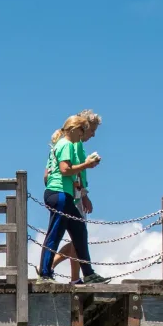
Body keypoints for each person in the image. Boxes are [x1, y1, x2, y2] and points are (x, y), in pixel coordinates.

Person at [39, 115, 103, 283]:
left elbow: (53, 173)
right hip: (59, 193)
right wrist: (86, 165)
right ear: (74, 129)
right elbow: (65, 169)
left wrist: (78, 186)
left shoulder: (63, 143)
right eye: (82, 130)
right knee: (55, 233)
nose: (83, 135)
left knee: (79, 231)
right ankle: (45, 273)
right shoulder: (66, 144)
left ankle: (88, 273)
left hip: (63, 193)